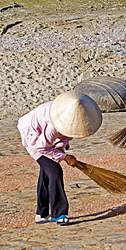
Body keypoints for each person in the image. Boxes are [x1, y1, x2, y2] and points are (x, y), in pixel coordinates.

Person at [17, 90, 102, 225]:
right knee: (55, 172)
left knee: (47, 173)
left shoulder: (74, 116)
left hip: (42, 138)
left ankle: (41, 214)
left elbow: (67, 135)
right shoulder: (54, 125)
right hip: (32, 136)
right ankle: (59, 213)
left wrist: (60, 146)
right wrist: (65, 157)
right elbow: (41, 147)